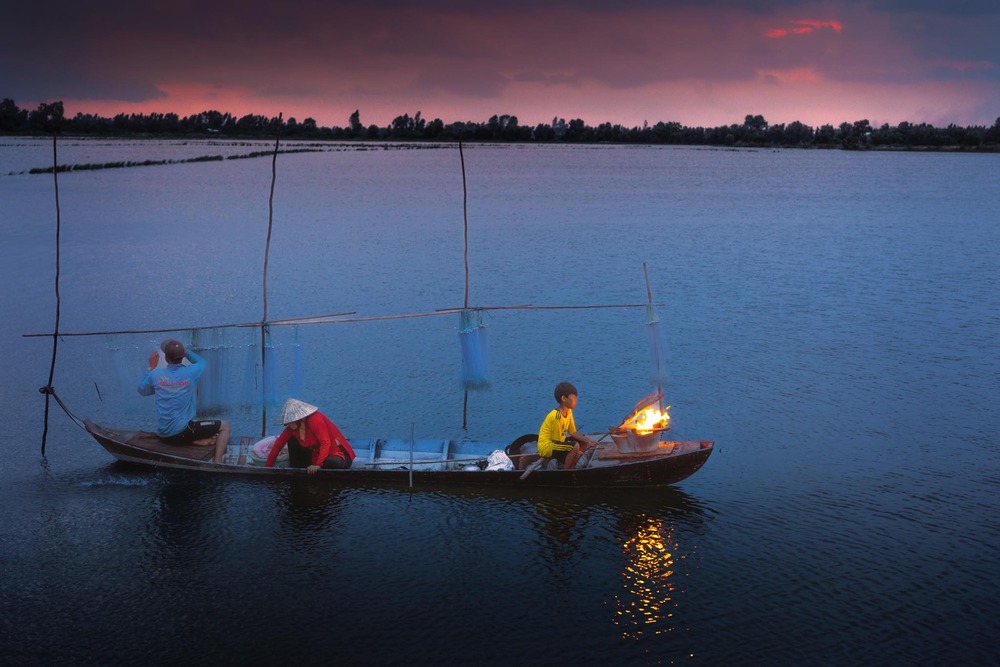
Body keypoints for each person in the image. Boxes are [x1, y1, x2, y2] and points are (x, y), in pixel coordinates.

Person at [137, 338, 230, 464]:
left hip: (164, 434)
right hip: (181, 433)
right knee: (225, 426)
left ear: (166, 359)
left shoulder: (155, 375)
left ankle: (196, 440)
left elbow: (142, 390)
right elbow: (201, 362)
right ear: (182, 357)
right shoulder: (190, 372)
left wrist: (152, 367)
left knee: (190, 423)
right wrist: (184, 351)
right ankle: (217, 463)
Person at [265, 398, 356, 474]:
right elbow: (278, 445)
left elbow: (325, 442)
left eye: (289, 422)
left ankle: (317, 468)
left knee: (331, 462)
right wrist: (267, 467)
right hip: (316, 453)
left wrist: (318, 465)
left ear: (298, 419)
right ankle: (297, 469)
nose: (287, 425)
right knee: (292, 440)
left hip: (337, 453)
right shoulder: (291, 428)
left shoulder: (315, 419)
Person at [537, 382, 599, 470]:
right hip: (548, 446)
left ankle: (573, 463)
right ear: (564, 398)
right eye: (573, 397)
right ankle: (566, 470)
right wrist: (575, 450)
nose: (576, 400)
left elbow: (573, 432)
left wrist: (589, 441)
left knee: (584, 441)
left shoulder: (569, 411)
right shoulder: (556, 417)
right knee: (575, 446)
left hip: (558, 442)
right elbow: (556, 441)